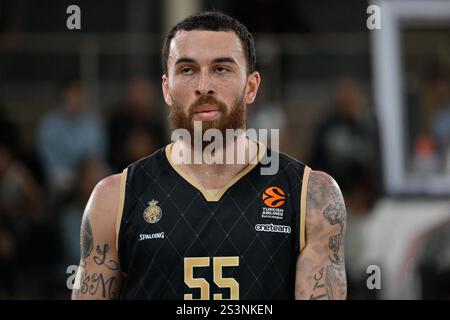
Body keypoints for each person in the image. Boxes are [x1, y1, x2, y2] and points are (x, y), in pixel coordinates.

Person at [72, 11, 347, 300]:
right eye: (187, 70)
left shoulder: (312, 195)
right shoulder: (114, 197)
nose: (204, 86)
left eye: (221, 69)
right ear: (166, 89)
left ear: (251, 87)